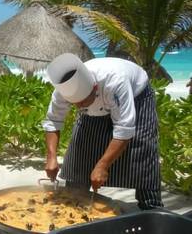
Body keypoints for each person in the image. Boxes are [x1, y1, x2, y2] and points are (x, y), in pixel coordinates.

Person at [43, 53, 163, 210]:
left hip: (137, 97)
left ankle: (151, 207)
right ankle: (75, 197)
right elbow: (53, 120)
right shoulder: (63, 89)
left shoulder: (116, 81)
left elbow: (124, 130)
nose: (79, 107)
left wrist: (103, 165)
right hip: (100, 105)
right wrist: (51, 157)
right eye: (74, 103)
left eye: (83, 101)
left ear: (94, 88)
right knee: (80, 151)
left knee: (141, 149)